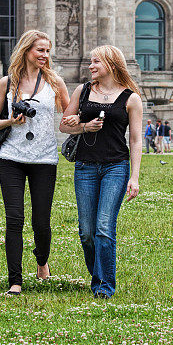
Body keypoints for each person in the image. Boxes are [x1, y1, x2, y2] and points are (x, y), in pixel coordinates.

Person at [0, 30, 70, 296]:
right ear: (26, 51)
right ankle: (15, 281)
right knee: (14, 219)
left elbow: (69, 117)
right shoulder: (7, 83)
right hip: (11, 157)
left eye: (48, 51)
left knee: (42, 222)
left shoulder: (55, 82)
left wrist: (87, 124)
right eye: (40, 50)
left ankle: (42, 260)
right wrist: (11, 121)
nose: (45, 56)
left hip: (44, 158)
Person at [60, 44, 142, 299]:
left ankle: (104, 287)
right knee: (86, 231)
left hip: (115, 167)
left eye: (96, 62)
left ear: (112, 64)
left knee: (104, 227)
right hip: (85, 166)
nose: (91, 66)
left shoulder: (131, 98)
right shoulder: (82, 91)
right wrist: (83, 126)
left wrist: (135, 177)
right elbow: (65, 126)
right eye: (91, 62)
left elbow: (136, 140)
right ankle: (97, 276)